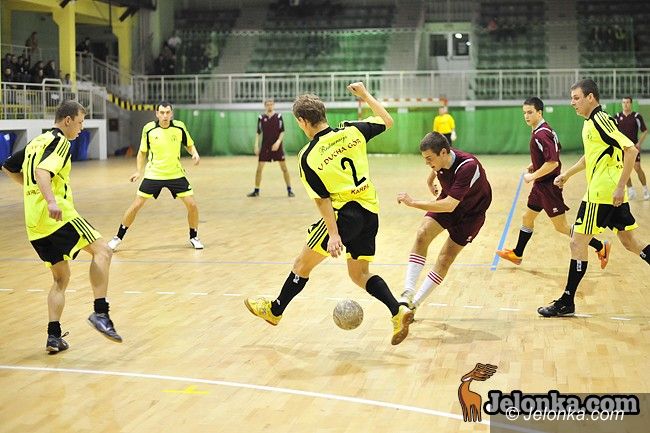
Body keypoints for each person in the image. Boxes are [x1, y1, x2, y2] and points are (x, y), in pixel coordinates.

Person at [244, 82, 414, 345]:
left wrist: (334, 235)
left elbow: (322, 200)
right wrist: (365, 95)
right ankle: (397, 311)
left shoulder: (308, 156)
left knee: (301, 265)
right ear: (323, 114)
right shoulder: (353, 131)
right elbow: (387, 120)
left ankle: (275, 310)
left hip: (344, 217)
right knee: (359, 274)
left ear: (303, 122)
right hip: (370, 213)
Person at [1, 100, 122, 353]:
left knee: (60, 278)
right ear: (67, 120)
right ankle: (101, 312)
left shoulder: (36, 142)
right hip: (57, 217)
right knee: (103, 250)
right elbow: (42, 172)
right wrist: (51, 200)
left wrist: (32, 190)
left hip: (34, 224)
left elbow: (8, 166)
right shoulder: (60, 142)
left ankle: (53, 336)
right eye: (80, 122)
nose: (81, 128)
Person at [538, 79, 650, 317]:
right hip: (608, 192)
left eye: (576, 98)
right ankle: (567, 302)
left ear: (590, 97)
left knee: (577, 243)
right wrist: (567, 175)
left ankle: (567, 301)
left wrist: (620, 186)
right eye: (572, 98)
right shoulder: (591, 123)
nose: (572, 103)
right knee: (630, 242)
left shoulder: (600, 120)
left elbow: (631, 150)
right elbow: (590, 157)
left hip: (601, 194)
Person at [497, 97, 610, 268]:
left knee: (562, 227)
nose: (526, 116)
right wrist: (535, 164)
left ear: (539, 112)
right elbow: (555, 150)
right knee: (527, 217)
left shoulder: (541, 134)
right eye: (524, 113)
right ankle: (518, 253)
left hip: (548, 187)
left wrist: (532, 175)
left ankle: (601, 246)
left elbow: (553, 162)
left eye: (530, 112)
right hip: (540, 187)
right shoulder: (543, 129)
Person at [397, 132, 492, 310]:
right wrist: (429, 181)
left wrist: (413, 202)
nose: (427, 163)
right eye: (424, 159)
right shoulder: (442, 159)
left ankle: (414, 305)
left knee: (445, 258)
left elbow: (449, 206)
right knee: (422, 234)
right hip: (449, 200)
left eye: (429, 158)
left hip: (471, 214)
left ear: (443, 152)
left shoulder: (467, 166)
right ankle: (407, 293)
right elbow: (435, 170)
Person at [107, 102, 203, 251]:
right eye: (162, 113)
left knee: (192, 205)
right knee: (136, 205)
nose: (165, 116)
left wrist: (194, 153)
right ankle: (117, 238)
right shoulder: (149, 129)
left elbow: (188, 144)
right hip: (154, 174)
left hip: (175, 173)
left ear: (171, 114)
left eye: (168, 112)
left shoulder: (179, 127)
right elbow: (142, 152)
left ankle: (194, 237)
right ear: (157, 114)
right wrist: (138, 171)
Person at [246, 99, 295, 197]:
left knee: (284, 168)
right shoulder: (261, 117)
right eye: (268, 104)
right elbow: (258, 132)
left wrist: (278, 142)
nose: (269, 106)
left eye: (271, 104)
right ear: (265, 106)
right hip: (265, 146)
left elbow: (282, 131)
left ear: (274, 105)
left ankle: (289, 190)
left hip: (277, 147)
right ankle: (256, 190)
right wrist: (256, 145)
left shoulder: (279, 116)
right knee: (259, 169)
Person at [614, 96, 648, 200]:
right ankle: (631, 190)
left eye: (627, 102)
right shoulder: (617, 116)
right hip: (622, 148)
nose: (625, 104)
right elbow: (613, 132)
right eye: (623, 102)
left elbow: (645, 131)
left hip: (633, 148)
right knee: (624, 169)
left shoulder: (637, 116)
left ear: (631, 104)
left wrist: (639, 143)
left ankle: (645, 190)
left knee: (637, 167)